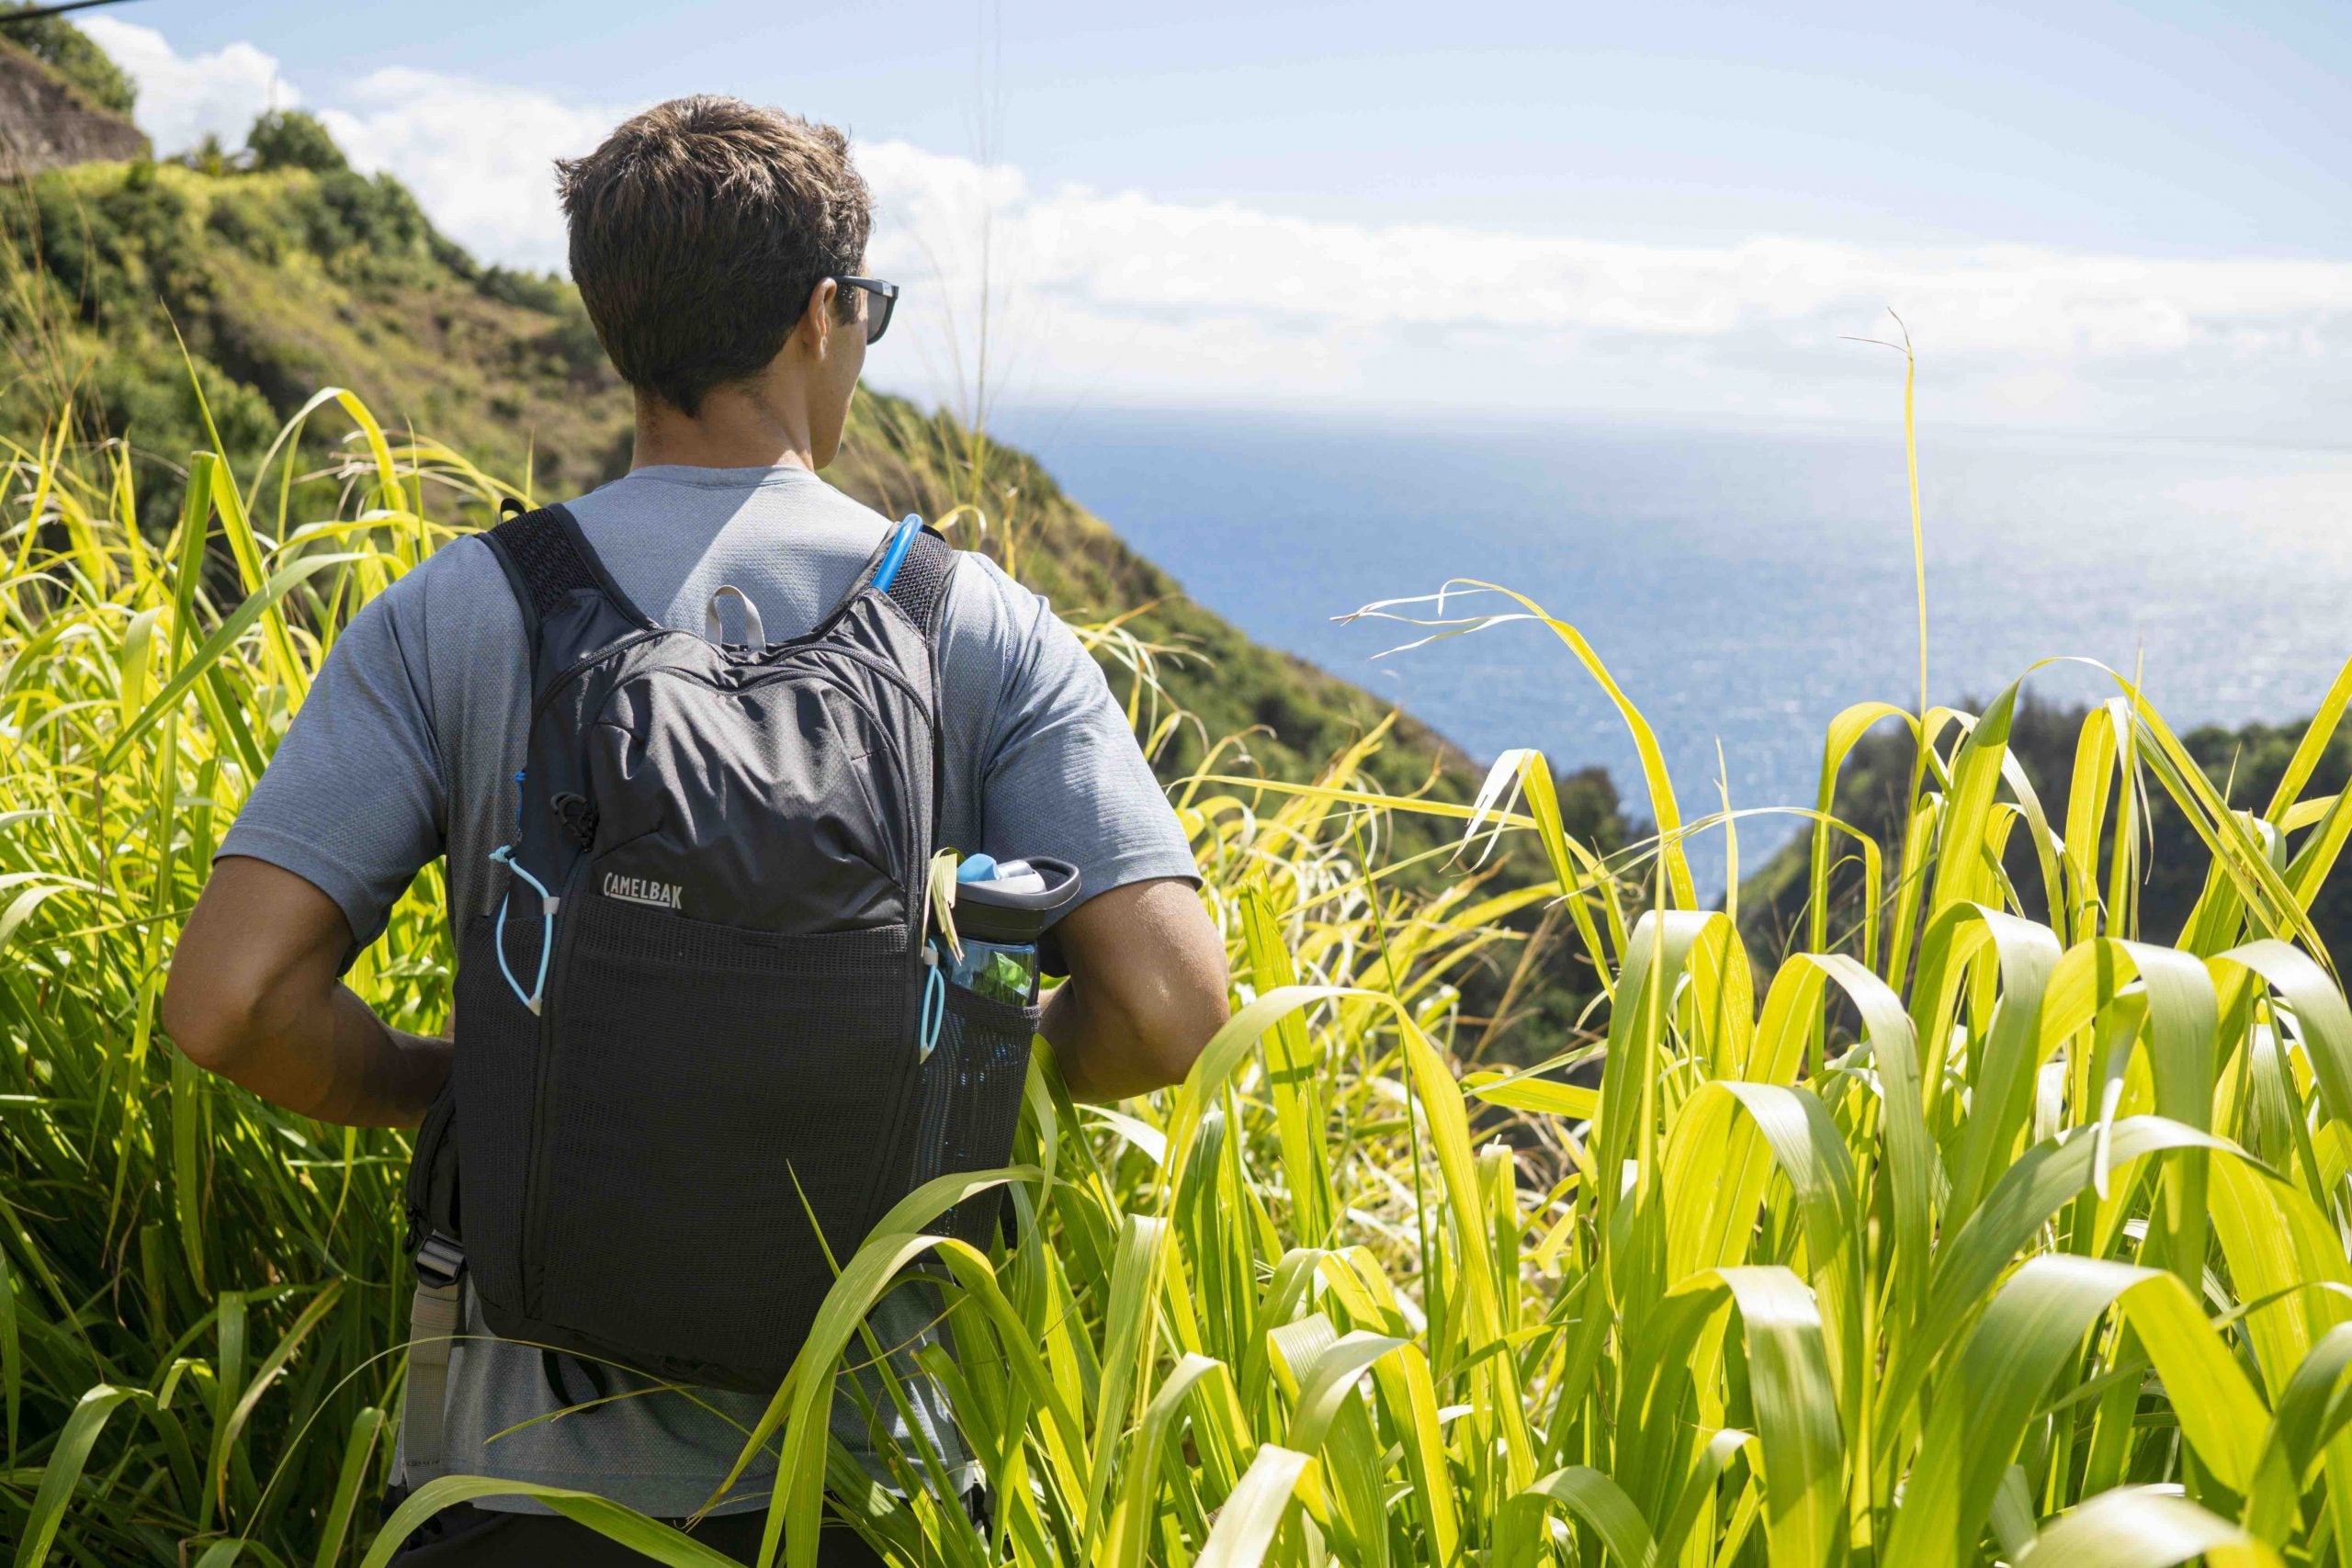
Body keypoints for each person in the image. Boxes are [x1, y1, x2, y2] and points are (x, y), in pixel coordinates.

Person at [162, 96, 1231, 1566]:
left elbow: (229, 1005)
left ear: (618, 326)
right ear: (823, 314)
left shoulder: (463, 610)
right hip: (875, 1496)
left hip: (516, 1496)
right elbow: (1172, 1011)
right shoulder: (975, 625)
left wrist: (469, 1088)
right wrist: (941, 1085)